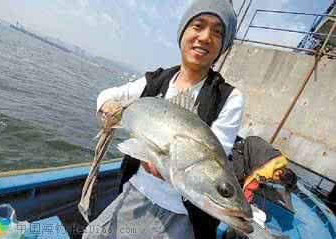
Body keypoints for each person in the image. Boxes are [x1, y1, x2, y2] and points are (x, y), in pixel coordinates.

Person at [83, 0, 240, 238]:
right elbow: (107, 96)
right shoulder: (156, 81)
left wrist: (163, 162)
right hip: (134, 192)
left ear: (223, 45)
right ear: (183, 32)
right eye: (198, 26)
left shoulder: (228, 98)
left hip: (180, 213)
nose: (205, 37)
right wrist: (108, 108)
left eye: (218, 32)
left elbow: (214, 152)